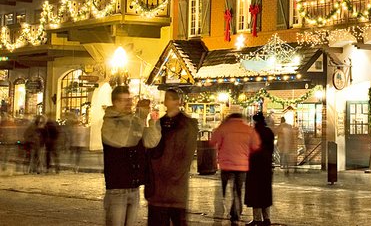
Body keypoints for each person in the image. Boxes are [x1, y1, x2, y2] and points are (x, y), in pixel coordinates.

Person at [102, 87, 161, 226]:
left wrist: (152, 121)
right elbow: (124, 141)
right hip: (117, 189)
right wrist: (140, 118)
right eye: (123, 101)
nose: (128, 103)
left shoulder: (134, 120)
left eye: (129, 100)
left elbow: (151, 142)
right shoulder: (109, 122)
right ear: (114, 103)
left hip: (134, 189)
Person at [146, 89, 198, 225]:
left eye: (170, 98)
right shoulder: (160, 123)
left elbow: (187, 154)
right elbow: (152, 149)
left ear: (177, 101)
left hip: (176, 187)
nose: (167, 102)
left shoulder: (187, 124)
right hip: (158, 187)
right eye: (166, 99)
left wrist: (176, 173)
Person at [210, 104, 261, 224]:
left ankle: (222, 211)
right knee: (238, 190)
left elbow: (212, 141)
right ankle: (235, 215)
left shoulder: (224, 127)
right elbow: (256, 146)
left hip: (226, 165)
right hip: (242, 166)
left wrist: (221, 146)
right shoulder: (248, 129)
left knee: (224, 189)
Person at [244, 111, 274, 226]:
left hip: (254, 166)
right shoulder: (269, 132)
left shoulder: (253, 132)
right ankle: (267, 218)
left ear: (255, 121)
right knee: (265, 192)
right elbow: (271, 148)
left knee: (255, 192)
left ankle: (257, 219)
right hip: (266, 166)